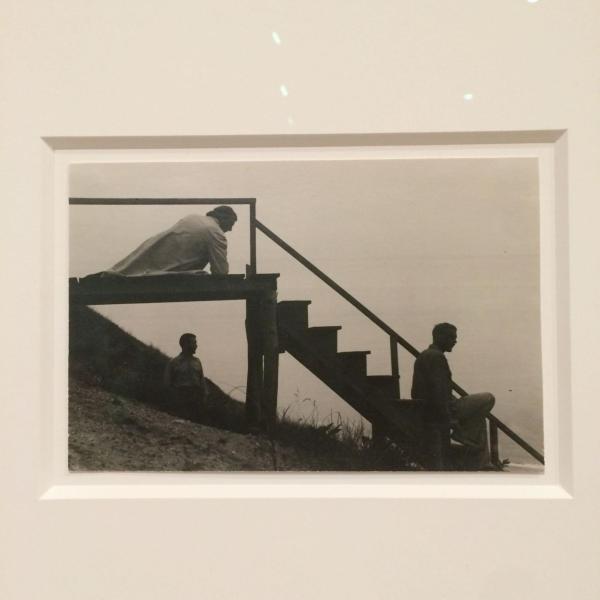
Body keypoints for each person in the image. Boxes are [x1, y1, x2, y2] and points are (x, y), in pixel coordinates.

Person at [411, 322, 495, 470]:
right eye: (451, 337)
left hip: (429, 408)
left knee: (480, 418)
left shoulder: (426, 355)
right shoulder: (436, 357)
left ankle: (483, 463)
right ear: (440, 337)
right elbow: (438, 393)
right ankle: (474, 452)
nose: (455, 341)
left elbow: (433, 390)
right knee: (488, 398)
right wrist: (451, 419)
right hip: (437, 410)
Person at [107, 206, 237, 276]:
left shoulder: (192, 218)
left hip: (153, 254)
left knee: (128, 269)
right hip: (166, 268)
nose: (231, 229)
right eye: (231, 223)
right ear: (224, 219)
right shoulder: (215, 232)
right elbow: (220, 272)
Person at [163, 333, 208, 421]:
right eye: (194, 343)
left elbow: (202, 381)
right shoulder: (173, 363)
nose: (196, 346)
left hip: (196, 400)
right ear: (185, 344)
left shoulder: (197, 362)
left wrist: (205, 395)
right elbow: (167, 384)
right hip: (180, 399)